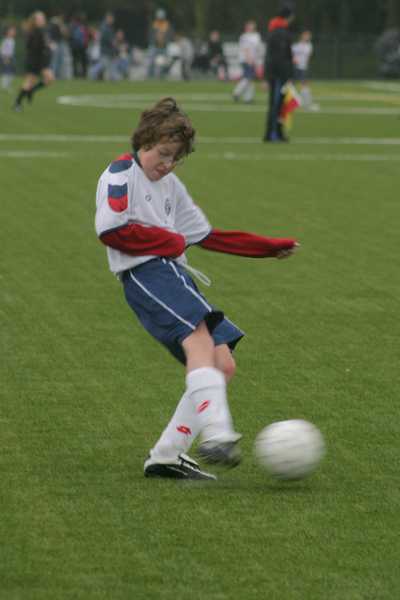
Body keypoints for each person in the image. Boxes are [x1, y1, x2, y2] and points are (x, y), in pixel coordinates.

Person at [95, 97, 298, 481]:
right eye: (163, 154)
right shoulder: (121, 173)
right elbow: (112, 230)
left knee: (223, 363)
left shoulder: (172, 185)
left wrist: (267, 248)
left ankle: (167, 454)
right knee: (200, 341)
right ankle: (218, 434)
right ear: (145, 140)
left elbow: (207, 236)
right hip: (145, 274)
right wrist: (168, 241)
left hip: (172, 274)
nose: (168, 164)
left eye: (176, 158)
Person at [263, 4, 295, 142]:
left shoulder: (271, 31)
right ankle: (274, 134)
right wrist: (289, 75)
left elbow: (268, 56)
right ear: (288, 17)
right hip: (281, 74)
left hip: (273, 73)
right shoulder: (284, 33)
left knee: (275, 104)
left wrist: (266, 76)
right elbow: (286, 56)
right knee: (279, 105)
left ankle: (272, 133)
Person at [13, 11, 54, 111]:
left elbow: (42, 45)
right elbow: (35, 47)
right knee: (30, 82)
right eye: (41, 18)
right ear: (35, 21)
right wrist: (47, 46)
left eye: (43, 18)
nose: (43, 20)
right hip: (34, 60)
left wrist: (48, 46)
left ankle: (30, 92)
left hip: (39, 60)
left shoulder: (40, 30)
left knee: (48, 79)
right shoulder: (35, 31)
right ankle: (17, 103)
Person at [233, 20, 263, 103]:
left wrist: (257, 61)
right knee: (248, 77)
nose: (251, 27)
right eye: (250, 26)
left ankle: (248, 98)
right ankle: (236, 93)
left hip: (253, 60)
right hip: (245, 59)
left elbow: (257, 49)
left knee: (250, 79)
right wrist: (249, 59)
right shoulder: (244, 36)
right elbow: (245, 48)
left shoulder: (256, 36)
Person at [292, 30, 318, 110]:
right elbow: (291, 54)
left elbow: (308, 56)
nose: (307, 37)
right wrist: (293, 59)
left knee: (304, 85)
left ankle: (307, 103)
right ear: (302, 36)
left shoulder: (309, 46)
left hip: (303, 67)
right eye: (306, 35)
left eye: (308, 36)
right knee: (291, 85)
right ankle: (299, 102)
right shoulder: (296, 45)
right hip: (295, 67)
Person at [147, 8, 174, 78]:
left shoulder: (167, 25)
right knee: (151, 59)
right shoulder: (154, 24)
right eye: (159, 18)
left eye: (161, 18)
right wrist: (156, 40)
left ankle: (164, 74)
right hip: (155, 45)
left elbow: (170, 35)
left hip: (164, 46)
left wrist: (164, 40)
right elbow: (151, 36)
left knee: (168, 60)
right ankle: (150, 75)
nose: (160, 19)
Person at [0, 25, 16, 91]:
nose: (13, 32)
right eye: (12, 31)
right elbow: (2, 50)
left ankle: (7, 85)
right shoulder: (6, 40)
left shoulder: (12, 40)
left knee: (11, 72)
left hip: (10, 57)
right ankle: (4, 86)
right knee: (7, 71)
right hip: (6, 57)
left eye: (14, 31)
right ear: (8, 32)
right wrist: (5, 58)